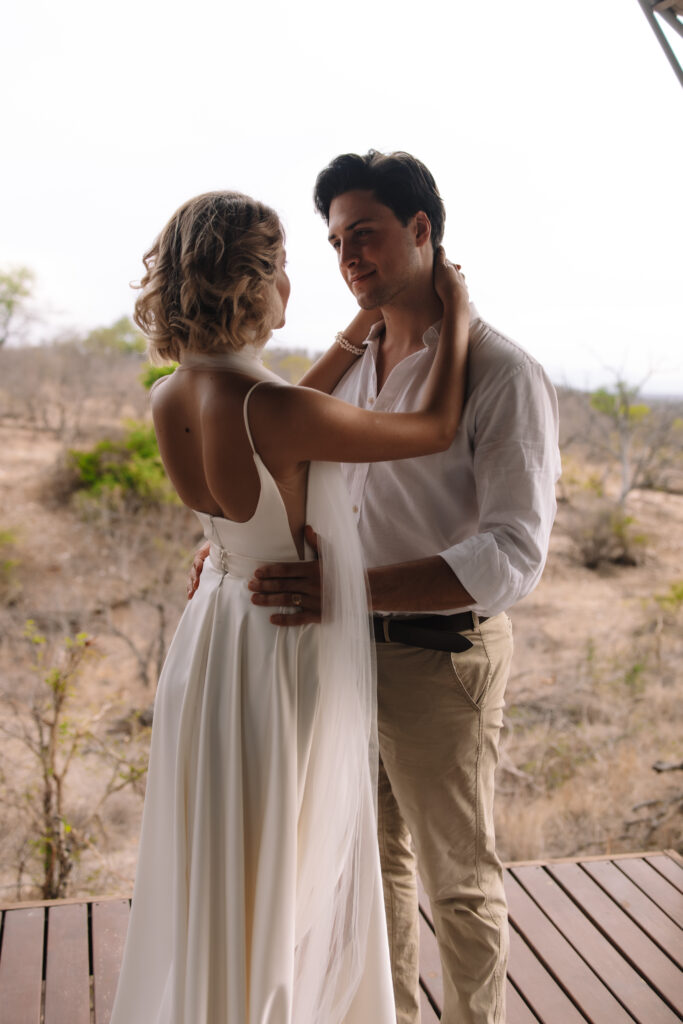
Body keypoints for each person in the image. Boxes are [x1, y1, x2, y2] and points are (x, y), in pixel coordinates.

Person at [109, 189, 471, 1024]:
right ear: (252, 284)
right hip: (280, 646)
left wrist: (353, 340)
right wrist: (456, 318)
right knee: (279, 858)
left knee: (222, 857)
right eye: (282, 270)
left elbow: (270, 420)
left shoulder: (171, 395)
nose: (291, 289)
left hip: (212, 642)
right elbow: (436, 425)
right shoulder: (277, 410)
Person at [226, 151, 562, 1024]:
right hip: (340, 656)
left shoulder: (500, 371)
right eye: (336, 242)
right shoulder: (354, 363)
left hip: (438, 659)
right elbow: (274, 456)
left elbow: (513, 552)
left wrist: (348, 590)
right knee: (367, 870)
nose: (348, 259)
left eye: (365, 235)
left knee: (458, 880)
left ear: (422, 231)